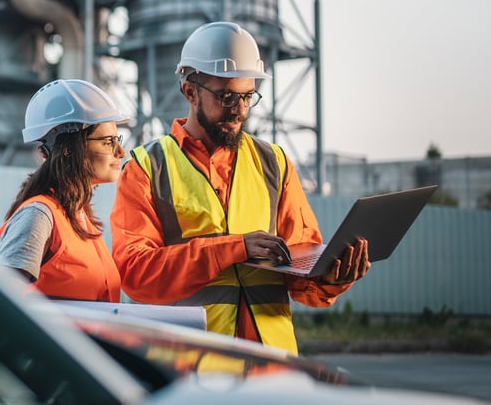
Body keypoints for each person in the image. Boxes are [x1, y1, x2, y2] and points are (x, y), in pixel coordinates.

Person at [110, 21, 369, 355]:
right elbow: (138, 276)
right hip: (192, 372)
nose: (239, 110)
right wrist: (234, 248)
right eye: (227, 96)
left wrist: (333, 277)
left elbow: (302, 271)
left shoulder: (274, 162)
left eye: (248, 96)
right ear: (190, 91)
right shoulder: (147, 167)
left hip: (274, 369)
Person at [0, 78, 131, 301]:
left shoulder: (78, 216)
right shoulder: (39, 215)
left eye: (117, 140)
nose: (121, 152)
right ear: (68, 149)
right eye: (108, 142)